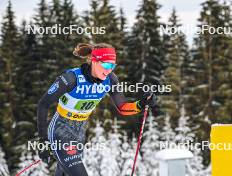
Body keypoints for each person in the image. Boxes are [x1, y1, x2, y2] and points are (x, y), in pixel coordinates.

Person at [37, 43, 156, 176]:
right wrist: (43, 140)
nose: (109, 70)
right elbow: (43, 104)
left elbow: (123, 108)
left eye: (112, 66)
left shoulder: (110, 80)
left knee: (64, 172)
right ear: (94, 61)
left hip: (80, 131)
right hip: (61, 128)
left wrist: (141, 104)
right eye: (106, 65)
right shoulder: (71, 79)